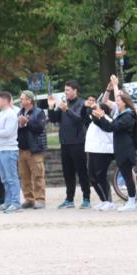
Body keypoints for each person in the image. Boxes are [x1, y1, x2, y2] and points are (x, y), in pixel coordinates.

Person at [91, 90, 137, 212]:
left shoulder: (128, 116)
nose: (116, 103)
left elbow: (113, 126)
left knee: (127, 176)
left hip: (126, 149)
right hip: (120, 149)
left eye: (118, 101)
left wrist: (102, 117)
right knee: (125, 175)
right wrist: (98, 117)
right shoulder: (121, 115)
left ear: (125, 103)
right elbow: (108, 128)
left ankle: (132, 201)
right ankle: (131, 200)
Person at [47, 80, 92, 209]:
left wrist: (67, 110)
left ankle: (86, 199)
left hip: (78, 142)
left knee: (82, 172)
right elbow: (53, 119)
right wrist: (51, 106)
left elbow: (79, 120)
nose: (65, 92)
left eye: (67, 90)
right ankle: (69, 199)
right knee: (68, 173)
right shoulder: (64, 103)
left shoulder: (82, 103)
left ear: (75, 90)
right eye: (65, 90)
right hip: (65, 143)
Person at [83, 82, 116, 210]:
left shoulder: (105, 120)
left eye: (98, 109)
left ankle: (108, 201)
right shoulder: (95, 120)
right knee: (92, 176)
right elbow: (87, 115)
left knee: (100, 176)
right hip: (93, 151)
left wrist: (94, 109)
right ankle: (103, 199)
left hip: (103, 152)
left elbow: (98, 120)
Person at [16, 90, 47, 209]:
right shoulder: (20, 112)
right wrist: (20, 125)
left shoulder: (39, 112)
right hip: (22, 149)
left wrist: (27, 123)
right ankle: (29, 199)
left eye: (22, 98)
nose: (21, 100)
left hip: (34, 150)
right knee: (24, 176)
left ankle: (40, 199)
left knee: (38, 175)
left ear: (29, 100)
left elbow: (39, 128)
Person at [0, 91, 22, 213]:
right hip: (0, 149)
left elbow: (8, 132)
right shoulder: (0, 114)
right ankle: (8, 201)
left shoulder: (10, 114)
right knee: (4, 178)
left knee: (12, 178)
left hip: (9, 150)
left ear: (5, 101)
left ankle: (16, 202)